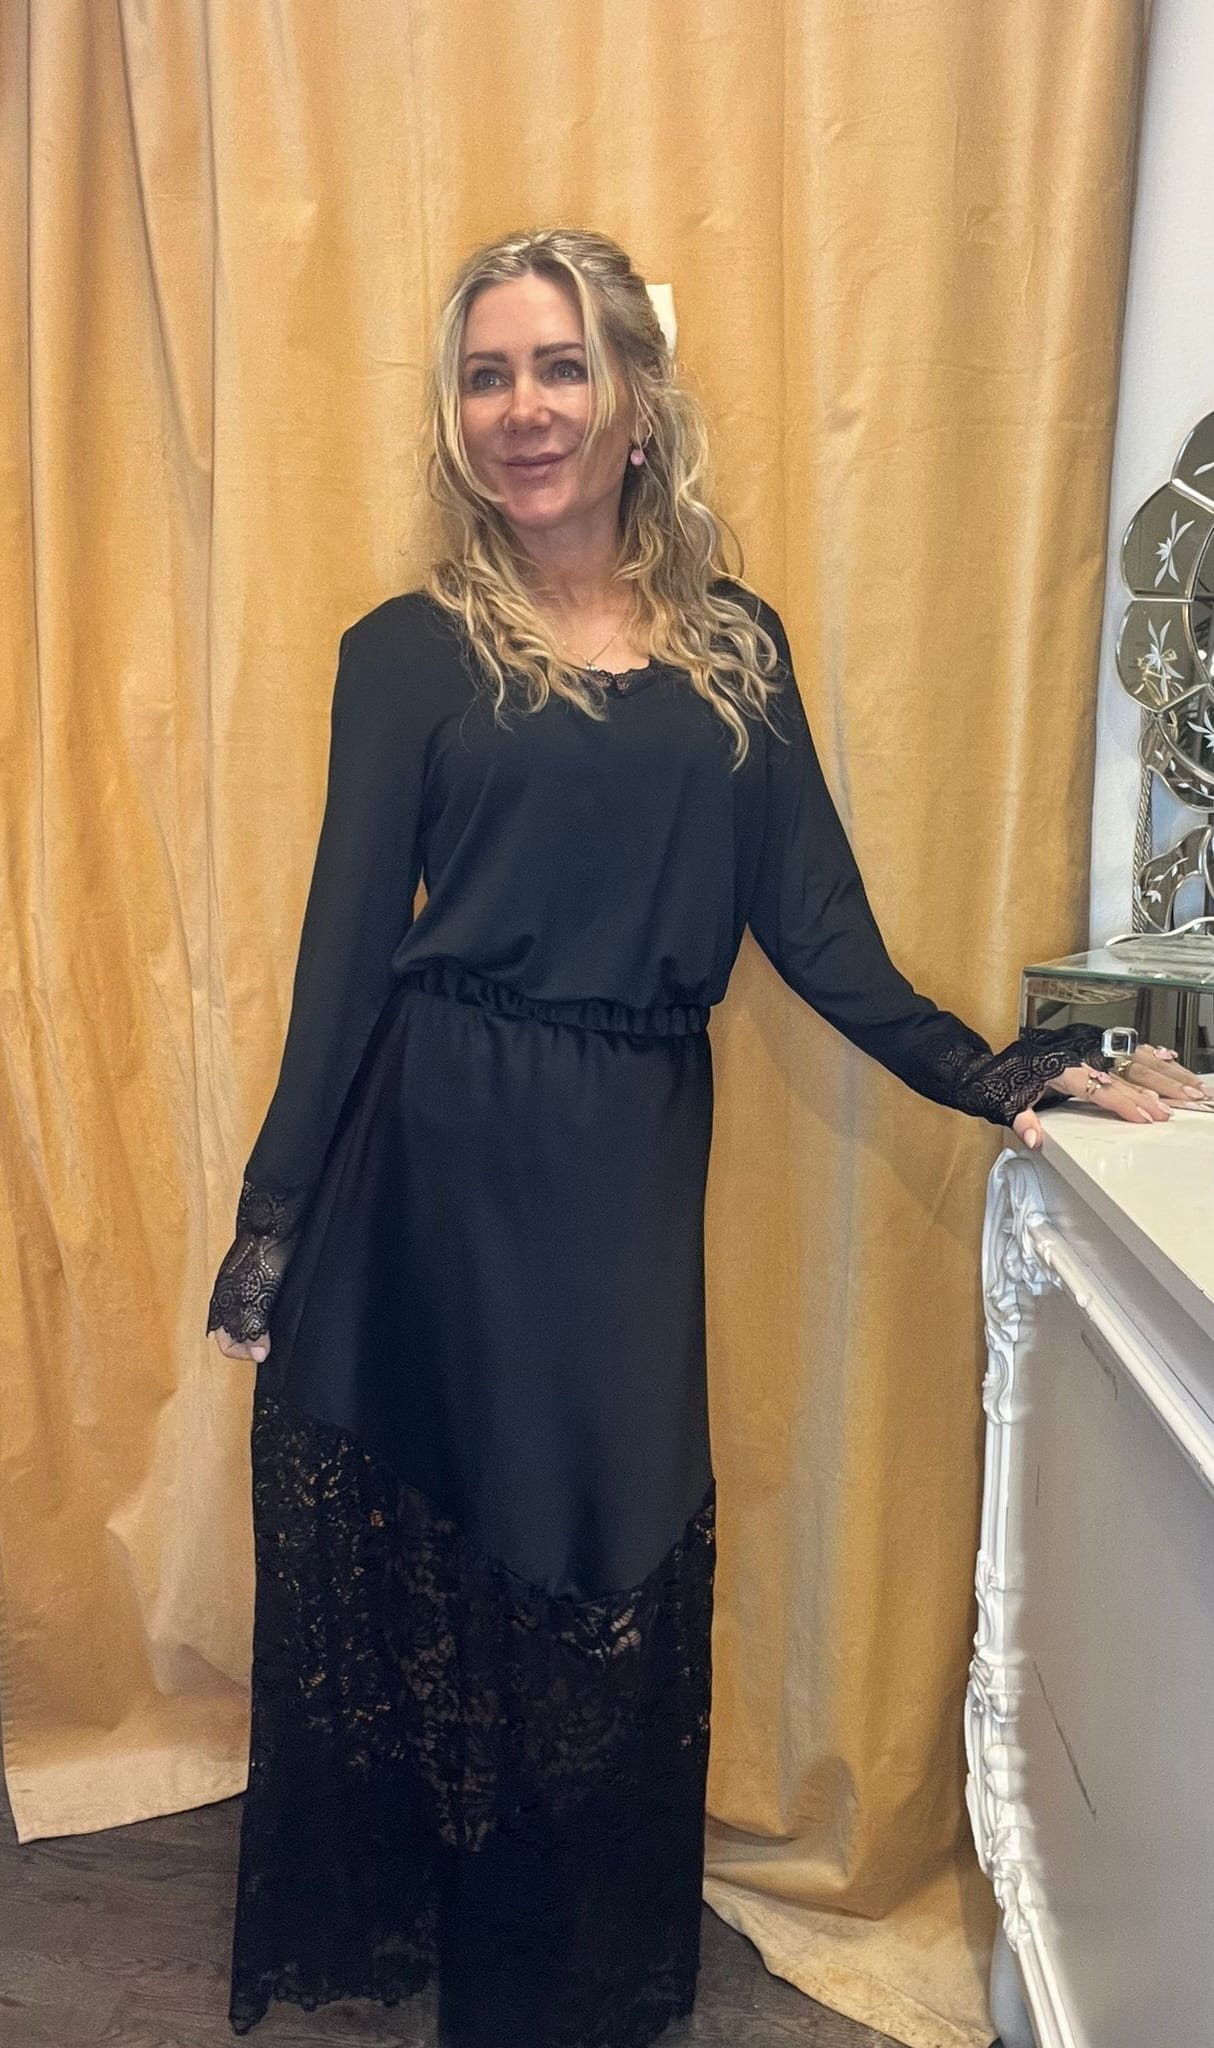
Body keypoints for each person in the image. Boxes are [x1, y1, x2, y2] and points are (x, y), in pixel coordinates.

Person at [205, 226, 1202, 2048]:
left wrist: (1004, 1072)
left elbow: (818, 933)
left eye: (561, 366)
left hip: (624, 1149)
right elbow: (343, 954)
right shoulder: (406, 654)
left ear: (637, 404)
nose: (524, 409)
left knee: (597, 1536)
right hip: (433, 1157)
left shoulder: (736, 649)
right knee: (462, 1537)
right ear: (455, 416)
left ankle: (567, 1966)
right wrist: (276, 1219)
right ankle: (484, 1961)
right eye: (488, 374)